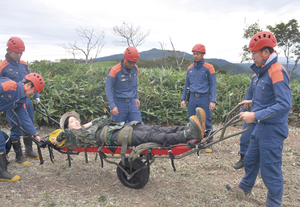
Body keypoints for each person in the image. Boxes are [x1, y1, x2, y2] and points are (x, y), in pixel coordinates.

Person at [226, 31, 292, 207]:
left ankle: (274, 203)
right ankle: (245, 187)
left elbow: (284, 104)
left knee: (270, 171)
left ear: (264, 53)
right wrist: (252, 102)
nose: (252, 57)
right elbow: (269, 97)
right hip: (259, 127)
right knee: (250, 159)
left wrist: (255, 115)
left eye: (254, 54)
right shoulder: (263, 72)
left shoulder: (277, 71)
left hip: (272, 130)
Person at [50, 107, 206, 149]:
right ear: (68, 127)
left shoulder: (87, 127)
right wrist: (56, 140)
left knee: (155, 130)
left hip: (124, 128)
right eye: (71, 121)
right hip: (116, 137)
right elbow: (63, 135)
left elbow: (104, 118)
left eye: (75, 120)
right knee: (154, 136)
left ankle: (187, 128)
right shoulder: (74, 135)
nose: (75, 122)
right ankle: (188, 134)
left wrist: (88, 124)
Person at [0, 37, 41, 161]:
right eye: (16, 52)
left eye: (21, 53)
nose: (19, 55)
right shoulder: (3, 66)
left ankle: (29, 150)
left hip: (24, 99)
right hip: (10, 98)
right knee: (16, 125)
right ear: (8, 50)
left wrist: (36, 96)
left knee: (28, 121)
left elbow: (31, 81)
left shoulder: (24, 64)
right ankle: (19, 155)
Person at [0, 73, 44, 182]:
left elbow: (25, 118)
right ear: (28, 85)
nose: (33, 94)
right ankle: (1, 172)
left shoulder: (20, 100)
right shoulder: (9, 86)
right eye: (34, 92)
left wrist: (35, 134)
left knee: (5, 139)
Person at [180, 44, 217, 153]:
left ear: (202, 54)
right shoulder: (190, 68)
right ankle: (193, 142)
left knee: (207, 120)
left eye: (197, 54)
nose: (195, 56)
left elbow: (213, 85)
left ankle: (209, 143)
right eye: (194, 54)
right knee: (192, 120)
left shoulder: (209, 67)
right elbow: (186, 85)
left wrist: (213, 100)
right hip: (192, 98)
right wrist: (183, 99)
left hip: (204, 98)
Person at [105, 47, 142, 123]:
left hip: (132, 103)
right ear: (125, 59)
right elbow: (108, 89)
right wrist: (112, 106)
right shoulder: (114, 70)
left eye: (134, 62)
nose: (132, 64)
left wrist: (136, 97)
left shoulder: (136, 69)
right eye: (130, 62)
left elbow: (134, 84)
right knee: (116, 128)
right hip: (119, 103)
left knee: (139, 125)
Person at [232, 75, 257, 169]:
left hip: (264, 115)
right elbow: (249, 94)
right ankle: (243, 159)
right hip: (251, 113)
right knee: (245, 137)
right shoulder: (255, 76)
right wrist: (243, 109)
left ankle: (260, 164)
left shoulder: (274, 74)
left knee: (261, 142)